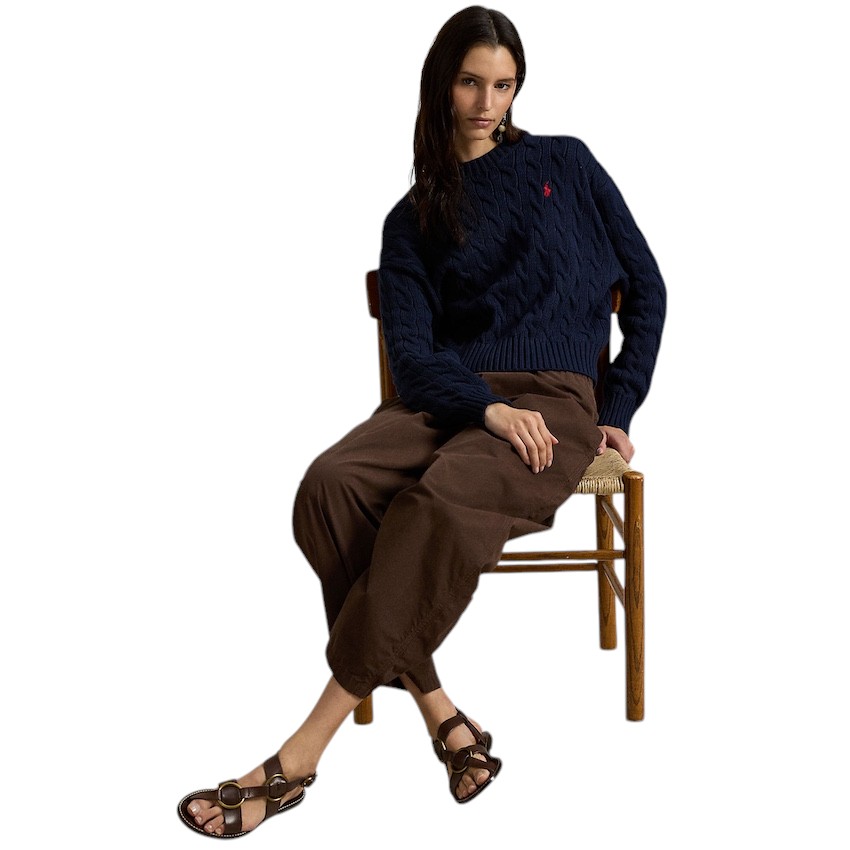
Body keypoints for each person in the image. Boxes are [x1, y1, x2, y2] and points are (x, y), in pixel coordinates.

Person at [178, 5, 665, 837]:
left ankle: (300, 756)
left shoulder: (568, 163)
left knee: (437, 503)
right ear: (442, 86)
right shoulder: (410, 219)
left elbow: (648, 291)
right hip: (449, 397)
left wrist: (615, 406)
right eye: (471, 83)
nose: (487, 103)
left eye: (504, 85)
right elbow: (410, 355)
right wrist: (486, 408)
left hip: (552, 405)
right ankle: (444, 713)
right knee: (329, 486)